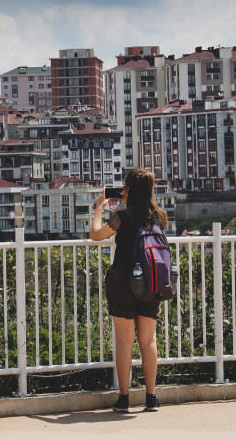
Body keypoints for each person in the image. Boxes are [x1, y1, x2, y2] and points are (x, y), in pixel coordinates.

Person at [90, 168, 167, 413]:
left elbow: (95, 235)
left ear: (128, 190)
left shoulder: (121, 217)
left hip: (123, 281)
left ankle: (123, 398)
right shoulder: (159, 216)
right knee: (148, 340)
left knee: (125, 341)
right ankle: (151, 397)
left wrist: (100, 207)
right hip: (151, 282)